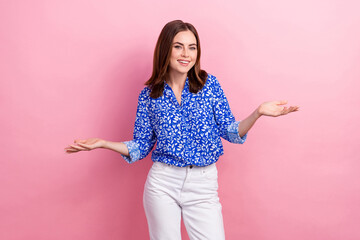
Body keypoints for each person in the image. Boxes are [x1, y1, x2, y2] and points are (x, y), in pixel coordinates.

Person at [65, 20, 299, 240]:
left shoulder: (209, 85)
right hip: (163, 183)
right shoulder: (149, 95)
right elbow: (142, 145)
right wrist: (104, 144)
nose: (186, 54)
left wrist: (257, 112)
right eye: (179, 47)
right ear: (166, 50)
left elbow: (230, 131)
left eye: (192, 47)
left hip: (203, 183)